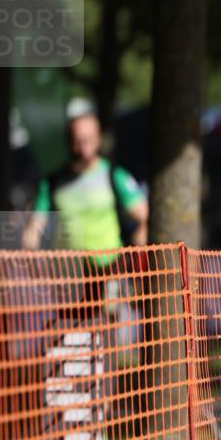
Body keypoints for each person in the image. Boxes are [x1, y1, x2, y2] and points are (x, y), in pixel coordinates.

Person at [22, 112, 149, 318]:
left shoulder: (114, 176)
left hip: (110, 272)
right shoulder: (53, 183)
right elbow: (35, 226)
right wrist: (32, 254)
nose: (83, 146)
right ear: (69, 142)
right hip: (69, 279)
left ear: (98, 139)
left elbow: (144, 216)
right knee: (73, 337)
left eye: (88, 139)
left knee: (105, 337)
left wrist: (138, 247)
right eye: (77, 140)